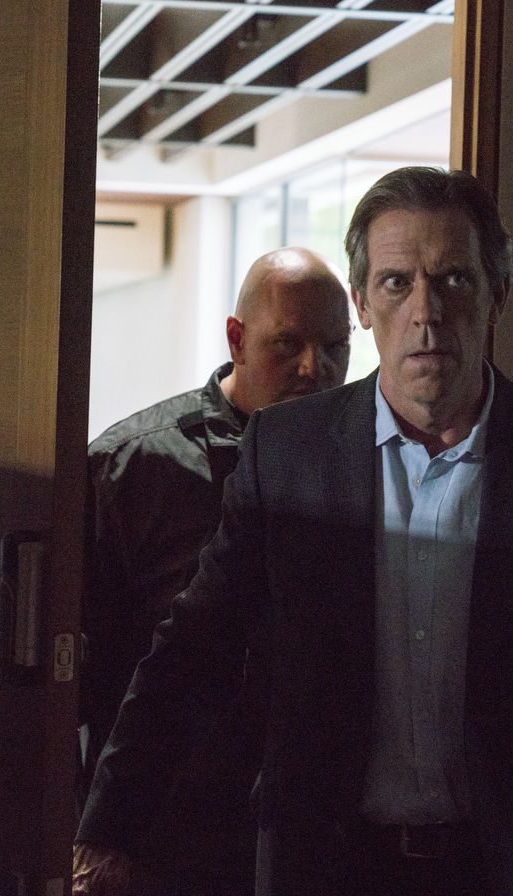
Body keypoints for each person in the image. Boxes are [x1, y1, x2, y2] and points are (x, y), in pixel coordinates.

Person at [75, 167, 513, 896]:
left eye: (454, 279)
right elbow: (193, 650)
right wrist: (110, 828)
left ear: (498, 294)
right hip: (329, 865)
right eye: (397, 283)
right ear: (363, 304)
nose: (426, 313)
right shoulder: (287, 451)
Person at [79, 247, 353, 896]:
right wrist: (98, 827)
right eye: (287, 344)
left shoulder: (361, 462)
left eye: (334, 347)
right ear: (236, 339)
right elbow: (81, 675)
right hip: (164, 825)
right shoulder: (132, 466)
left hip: (309, 826)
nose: (313, 369)